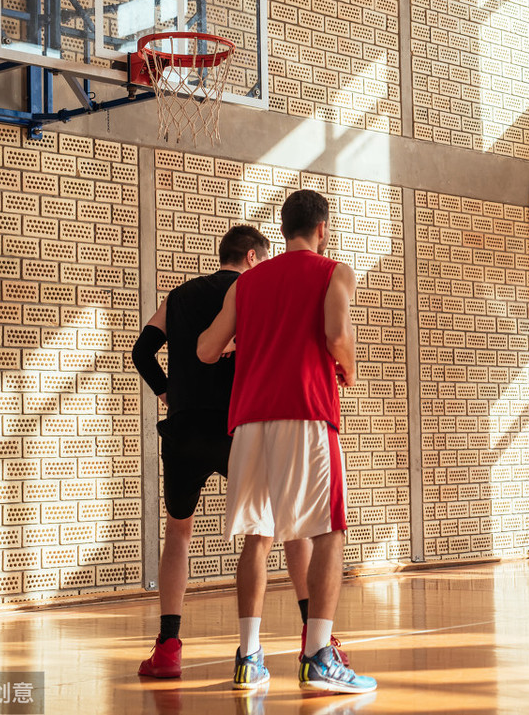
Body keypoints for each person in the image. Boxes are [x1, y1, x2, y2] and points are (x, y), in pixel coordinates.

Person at [197, 189, 375, 694]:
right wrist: (349, 369)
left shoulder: (247, 283)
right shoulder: (335, 271)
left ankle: (249, 659)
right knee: (328, 532)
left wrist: (245, 343)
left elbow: (207, 349)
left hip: (250, 421)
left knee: (259, 534)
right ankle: (319, 654)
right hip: (306, 412)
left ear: (282, 229)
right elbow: (338, 334)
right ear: (323, 228)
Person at [132, 225, 319, 677]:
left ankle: (169, 646)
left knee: (178, 532)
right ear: (253, 258)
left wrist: (168, 394)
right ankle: (312, 636)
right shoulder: (252, 290)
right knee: (284, 528)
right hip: (238, 427)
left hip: (183, 429)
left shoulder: (178, 296)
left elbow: (142, 352)